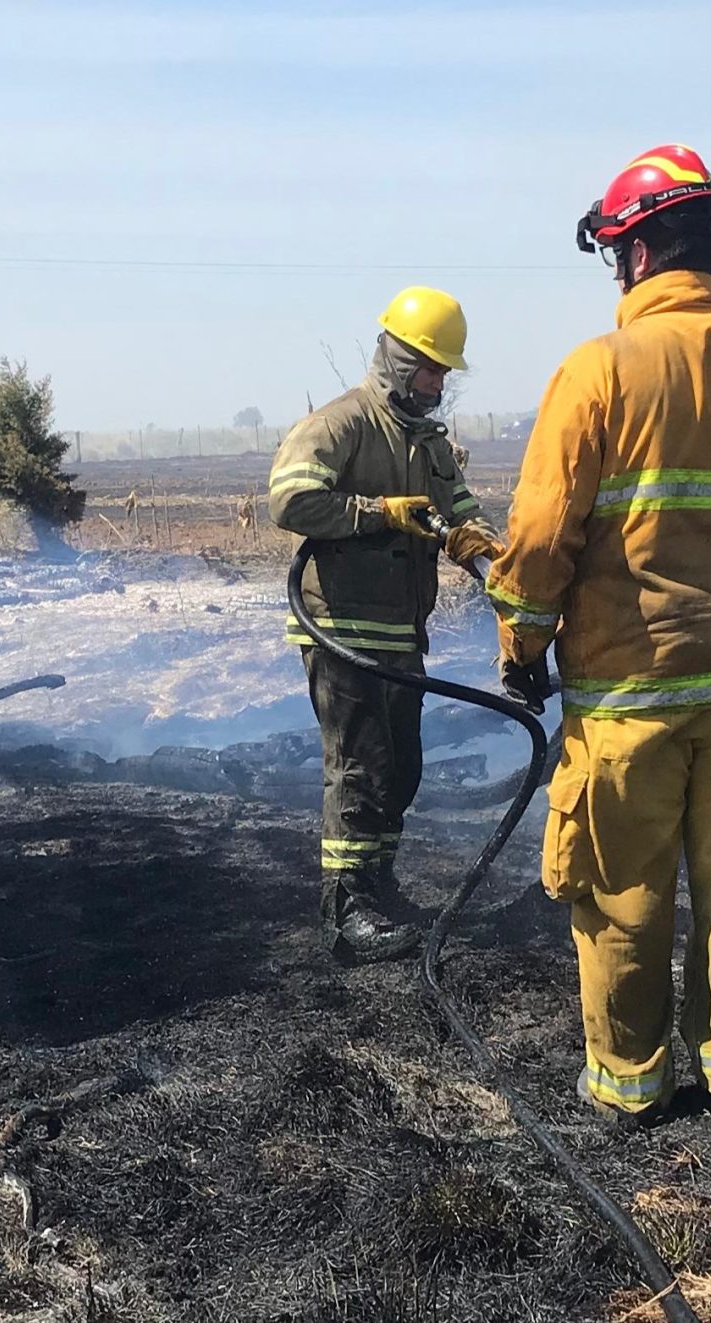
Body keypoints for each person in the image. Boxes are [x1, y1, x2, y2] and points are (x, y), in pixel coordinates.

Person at [487, 146, 711, 1122]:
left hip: (629, 692)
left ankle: (629, 1089)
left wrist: (520, 651)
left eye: (612, 252)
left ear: (637, 253)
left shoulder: (594, 374)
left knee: (623, 888)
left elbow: (536, 540)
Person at [269, 287, 500, 963]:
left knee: (402, 769)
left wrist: (484, 547)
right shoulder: (342, 424)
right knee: (360, 766)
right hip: (339, 627)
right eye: (431, 368)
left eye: (445, 372)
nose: (439, 381)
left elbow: (463, 511)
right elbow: (290, 498)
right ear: (400, 358)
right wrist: (375, 513)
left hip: (401, 632)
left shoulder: (430, 445)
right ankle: (347, 905)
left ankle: (379, 885)